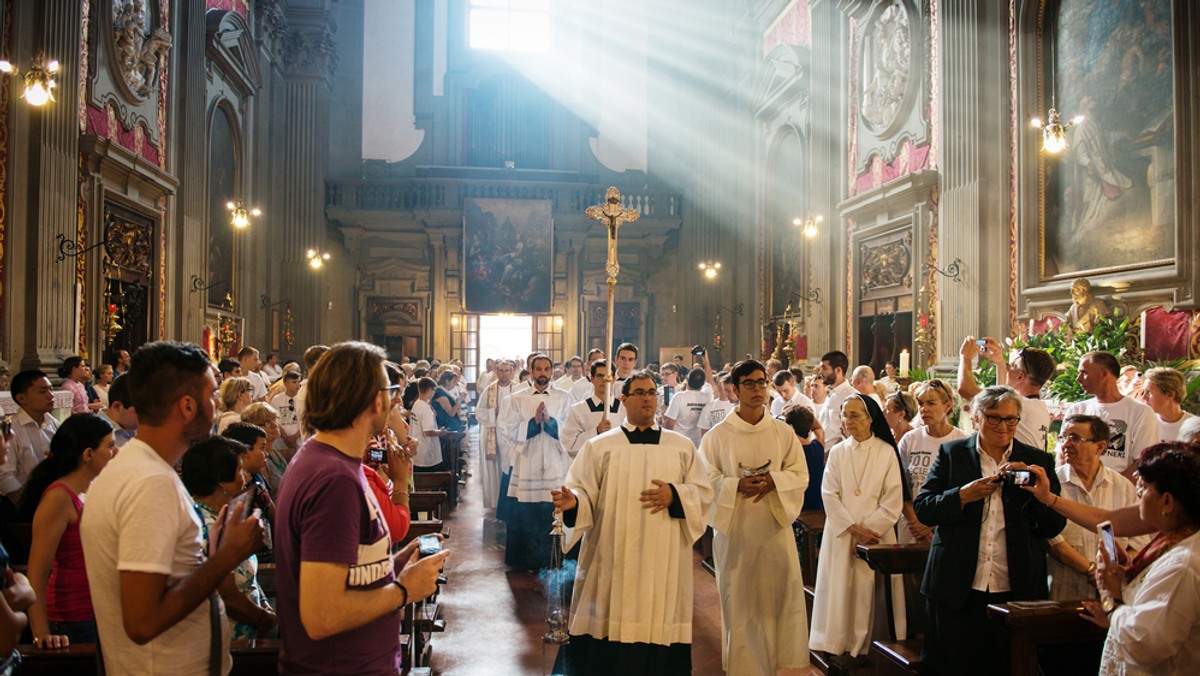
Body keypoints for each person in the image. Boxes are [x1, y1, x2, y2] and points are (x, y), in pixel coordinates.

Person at [80, 341, 264, 675]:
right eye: (211, 396)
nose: (217, 405)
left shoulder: (141, 469)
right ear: (188, 406)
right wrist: (226, 557)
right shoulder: (149, 482)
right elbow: (143, 621)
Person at [274, 341, 448, 675]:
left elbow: (348, 572)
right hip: (340, 666)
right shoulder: (333, 479)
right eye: (391, 391)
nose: (394, 400)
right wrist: (403, 590)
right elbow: (322, 616)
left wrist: (394, 564)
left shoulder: (329, 460)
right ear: (375, 399)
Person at [550, 371, 713, 675]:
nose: (648, 398)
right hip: (613, 554)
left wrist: (676, 494)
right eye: (639, 392)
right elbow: (581, 489)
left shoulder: (680, 447)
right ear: (623, 399)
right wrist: (574, 502)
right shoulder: (600, 447)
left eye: (652, 392)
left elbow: (703, 493)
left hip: (662, 557)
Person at [914, 386, 1066, 676]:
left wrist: (1038, 493)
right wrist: (961, 495)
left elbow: (1053, 526)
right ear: (977, 418)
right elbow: (924, 508)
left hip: (1014, 585)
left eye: (1011, 419)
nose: (1004, 426)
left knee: (1008, 666)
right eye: (995, 418)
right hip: (958, 585)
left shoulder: (1037, 462)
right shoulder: (953, 454)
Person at [699, 359, 810, 676]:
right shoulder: (718, 436)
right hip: (737, 533)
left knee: (778, 600)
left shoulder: (782, 431)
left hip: (774, 528)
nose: (758, 389)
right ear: (734, 389)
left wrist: (776, 481)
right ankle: (744, 667)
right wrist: (735, 485)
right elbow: (704, 480)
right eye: (749, 383)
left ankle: (777, 664)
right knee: (741, 602)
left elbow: (799, 474)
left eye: (762, 382)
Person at [1079, 443, 1200, 674]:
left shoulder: (1183, 563)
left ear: (1166, 501)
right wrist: (1131, 579)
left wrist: (1111, 598)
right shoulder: (1176, 540)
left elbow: (1143, 644)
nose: (1138, 494)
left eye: (1143, 488)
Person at [810, 395, 904, 658]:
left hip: (876, 537)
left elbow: (892, 500)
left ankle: (868, 648)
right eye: (845, 415)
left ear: (870, 419)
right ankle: (837, 643)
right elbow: (828, 494)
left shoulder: (886, 452)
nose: (848, 421)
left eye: (855, 415)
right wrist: (853, 529)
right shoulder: (838, 452)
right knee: (840, 589)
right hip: (841, 535)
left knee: (868, 593)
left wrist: (867, 532)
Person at [20, 414, 116, 648]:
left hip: (96, 611)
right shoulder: (59, 497)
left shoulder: (92, 487)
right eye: (110, 446)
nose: (116, 453)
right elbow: (38, 571)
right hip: (70, 616)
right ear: (88, 454)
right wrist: (41, 633)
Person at [181, 436, 276, 640]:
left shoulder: (222, 517)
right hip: (232, 642)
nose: (245, 477)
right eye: (239, 471)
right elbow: (228, 597)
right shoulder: (204, 527)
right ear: (222, 483)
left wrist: (265, 606)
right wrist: (265, 619)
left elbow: (247, 580)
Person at [1047, 415, 1144, 601]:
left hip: (1115, 593)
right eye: (1063, 437)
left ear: (1099, 447)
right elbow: (1053, 541)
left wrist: (1119, 569)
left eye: (1075, 438)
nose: (1066, 444)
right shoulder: (1052, 484)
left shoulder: (1122, 487)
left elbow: (1137, 542)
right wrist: (1093, 570)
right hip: (1064, 591)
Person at [497, 354, 572, 570]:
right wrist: (533, 423)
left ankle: (551, 560)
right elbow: (506, 429)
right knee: (525, 512)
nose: (542, 373)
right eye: (537, 369)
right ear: (530, 371)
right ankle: (525, 561)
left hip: (553, 462)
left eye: (546, 369)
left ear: (551, 371)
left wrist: (551, 423)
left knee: (551, 509)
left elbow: (569, 429)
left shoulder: (564, 397)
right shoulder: (515, 398)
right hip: (526, 463)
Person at [1066, 351, 1158, 480]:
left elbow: (1143, 461)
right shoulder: (1077, 410)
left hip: (1120, 493)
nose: (1078, 379)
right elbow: (1062, 456)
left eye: (1084, 373)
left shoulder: (1140, 412)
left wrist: (1111, 489)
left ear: (1104, 373)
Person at [896, 379, 966, 544]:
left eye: (931, 403)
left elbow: (961, 490)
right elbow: (900, 484)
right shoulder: (910, 439)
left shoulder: (961, 441)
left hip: (944, 527)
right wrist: (915, 521)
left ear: (947, 405)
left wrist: (931, 524)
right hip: (911, 525)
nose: (924, 409)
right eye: (920, 403)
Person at [959, 338, 1056, 451]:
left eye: (1011, 366)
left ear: (1020, 376)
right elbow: (1001, 395)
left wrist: (965, 357)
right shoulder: (1038, 406)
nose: (1007, 369)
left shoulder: (1021, 406)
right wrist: (999, 361)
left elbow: (965, 389)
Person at [4, 370, 59, 507]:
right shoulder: (11, 430)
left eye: (51, 389)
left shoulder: (53, 424)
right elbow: (5, 478)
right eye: (43, 391)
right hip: (22, 506)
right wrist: (30, 507)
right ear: (22, 398)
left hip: (54, 499)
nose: (51, 395)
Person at [562, 359, 624, 456]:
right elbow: (569, 446)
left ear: (614, 379)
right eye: (599, 376)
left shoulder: (624, 410)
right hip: (589, 466)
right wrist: (596, 431)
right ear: (591, 378)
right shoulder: (578, 410)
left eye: (608, 376)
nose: (604, 380)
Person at [477, 360, 516, 509]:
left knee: (511, 466)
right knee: (495, 468)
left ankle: (511, 501)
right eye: (501, 370)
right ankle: (496, 502)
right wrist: (495, 412)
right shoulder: (489, 390)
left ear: (512, 372)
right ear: (496, 372)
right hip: (493, 433)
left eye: (507, 370)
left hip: (512, 434)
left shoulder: (518, 390)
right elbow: (479, 412)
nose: (504, 374)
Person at [783, 405, 825, 511]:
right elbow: (818, 428)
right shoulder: (818, 448)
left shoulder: (787, 453)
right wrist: (808, 416)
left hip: (796, 507)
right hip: (816, 504)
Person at [1141, 367, 1196, 442]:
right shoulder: (1143, 423)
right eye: (1143, 392)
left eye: (1149, 392)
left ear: (1170, 395)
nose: (1143, 397)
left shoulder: (1194, 427)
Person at [663, 368, 712, 447]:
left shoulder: (679, 396)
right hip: (698, 442)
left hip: (679, 441)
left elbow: (670, 424)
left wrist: (664, 412)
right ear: (703, 383)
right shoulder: (707, 398)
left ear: (687, 378)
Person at [819, 351, 857, 447]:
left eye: (824, 368)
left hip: (837, 454)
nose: (820, 372)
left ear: (838, 370)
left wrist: (833, 451)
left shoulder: (852, 396)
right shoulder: (830, 393)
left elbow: (852, 431)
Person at [410, 377, 448, 471]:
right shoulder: (425, 408)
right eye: (433, 390)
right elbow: (428, 431)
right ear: (429, 389)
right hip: (425, 451)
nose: (434, 393)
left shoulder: (417, 403)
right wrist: (441, 432)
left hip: (417, 448)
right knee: (428, 477)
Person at [270, 371, 303, 456]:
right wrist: (285, 437)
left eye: (299, 381)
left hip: (299, 439)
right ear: (286, 384)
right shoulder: (277, 399)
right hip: (281, 440)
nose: (297, 384)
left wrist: (296, 436)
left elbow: (307, 420)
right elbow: (274, 419)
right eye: (294, 382)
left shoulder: (304, 399)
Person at [100, 373, 138, 449]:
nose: (146, 418)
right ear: (117, 406)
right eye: (140, 412)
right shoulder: (96, 434)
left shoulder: (134, 428)